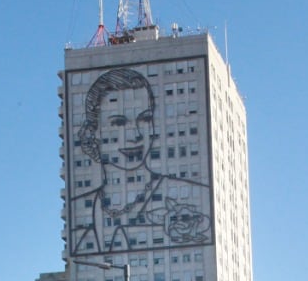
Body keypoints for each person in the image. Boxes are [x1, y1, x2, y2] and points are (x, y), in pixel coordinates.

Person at [69, 67, 212, 257]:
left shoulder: (197, 194)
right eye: (119, 123)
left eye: (144, 119)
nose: (135, 135)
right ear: (92, 132)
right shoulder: (79, 208)